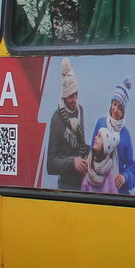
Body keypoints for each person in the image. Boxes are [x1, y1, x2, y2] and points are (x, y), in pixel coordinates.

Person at [87, 77, 135, 195]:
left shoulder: (125, 134)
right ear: (111, 104)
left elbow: (132, 166)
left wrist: (124, 177)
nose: (115, 110)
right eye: (114, 104)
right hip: (98, 187)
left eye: (120, 108)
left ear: (124, 112)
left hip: (118, 191)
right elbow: (91, 153)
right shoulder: (101, 123)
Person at [45, 57, 89, 190]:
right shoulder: (57, 119)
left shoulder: (80, 110)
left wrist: (93, 153)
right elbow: (50, 165)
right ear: (63, 96)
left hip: (83, 182)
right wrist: (72, 162)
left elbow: (80, 145)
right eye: (70, 96)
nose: (74, 100)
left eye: (76, 95)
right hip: (66, 186)